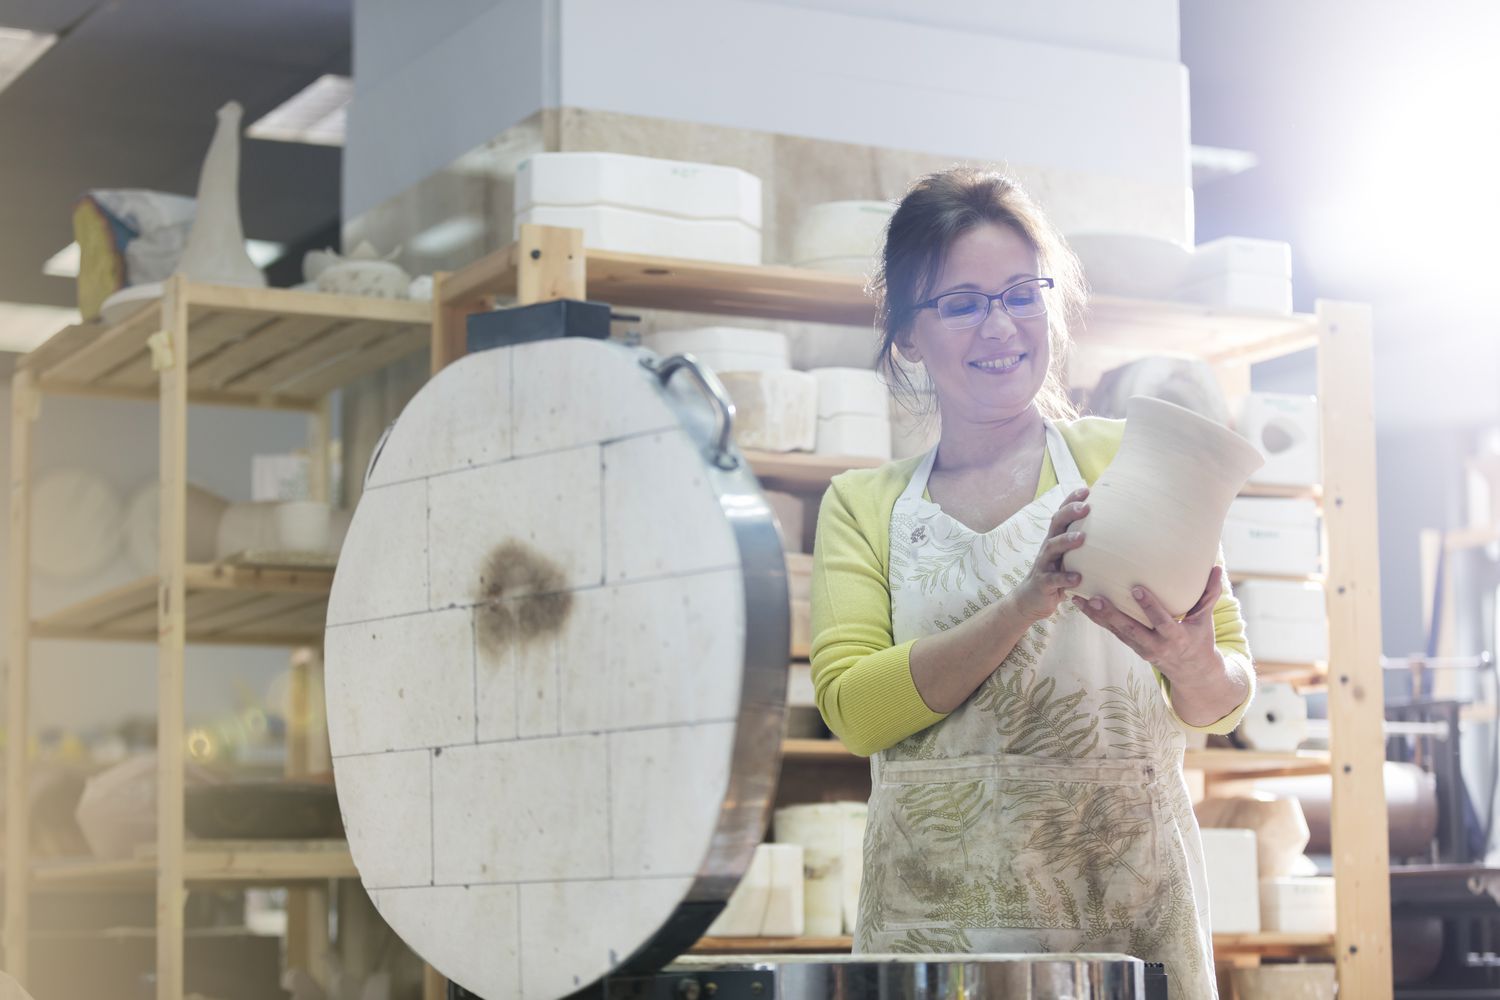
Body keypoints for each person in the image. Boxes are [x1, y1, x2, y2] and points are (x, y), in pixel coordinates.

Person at [809, 167, 1255, 999]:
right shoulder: (863, 506)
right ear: (907, 332)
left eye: (1021, 292)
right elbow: (856, 710)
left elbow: (1222, 699)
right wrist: (1024, 604)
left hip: (1121, 911)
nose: (1000, 325)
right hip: (937, 924)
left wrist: (1193, 659)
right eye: (962, 302)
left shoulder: (1132, 460)